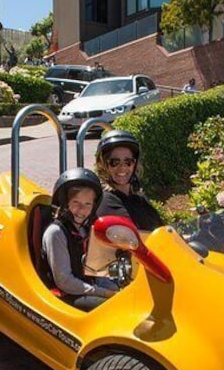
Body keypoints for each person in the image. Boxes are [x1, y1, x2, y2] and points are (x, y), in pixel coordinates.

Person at [42, 168, 117, 311]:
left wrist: (115, 289)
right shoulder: (56, 233)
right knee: (110, 310)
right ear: (65, 203)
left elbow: (96, 271)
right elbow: (64, 281)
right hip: (65, 293)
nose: (82, 210)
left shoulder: (86, 229)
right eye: (76, 202)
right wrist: (104, 293)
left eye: (88, 204)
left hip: (86, 288)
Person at [94, 130, 163, 231]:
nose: (122, 167)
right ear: (105, 165)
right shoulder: (106, 201)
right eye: (115, 162)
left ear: (135, 164)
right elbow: (134, 235)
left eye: (128, 162)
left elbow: (162, 231)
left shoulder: (139, 199)